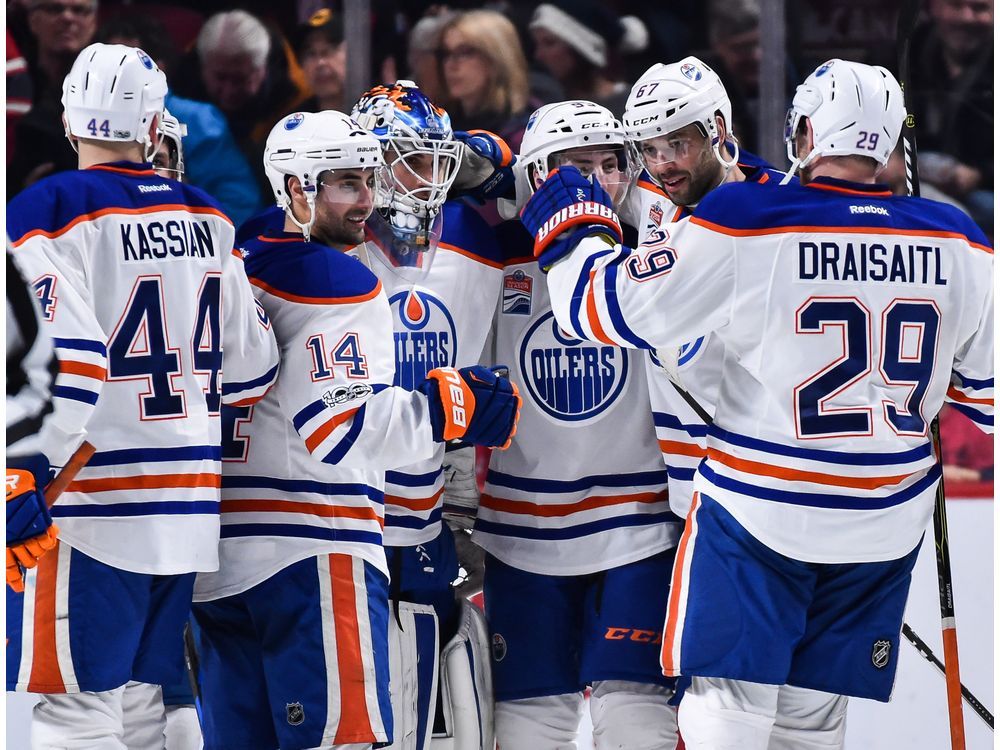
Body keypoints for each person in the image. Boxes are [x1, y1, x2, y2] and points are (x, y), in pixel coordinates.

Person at [522, 58, 993, 749]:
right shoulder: (960, 239)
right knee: (809, 724)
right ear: (893, 141)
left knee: (724, 708)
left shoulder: (748, 218)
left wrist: (572, 236)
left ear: (803, 130)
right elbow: (984, 397)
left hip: (764, 511)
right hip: (886, 521)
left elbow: (606, 310)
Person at [190, 109, 520, 750]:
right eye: (345, 183)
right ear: (295, 189)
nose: (367, 200)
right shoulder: (336, 277)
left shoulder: (239, 256)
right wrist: (453, 407)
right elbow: (337, 429)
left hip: (220, 563)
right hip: (314, 550)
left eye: (368, 179)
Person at [6, 42, 280, 749]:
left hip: (89, 502)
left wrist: (23, 469)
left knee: (73, 708)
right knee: (146, 704)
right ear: (155, 129)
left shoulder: (45, 211)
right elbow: (252, 366)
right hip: (187, 503)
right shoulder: (212, 217)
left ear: (69, 125)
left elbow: (67, 362)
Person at [482, 99, 682, 750]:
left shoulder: (659, 249)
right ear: (538, 174)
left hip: (640, 531)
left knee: (635, 720)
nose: (595, 182)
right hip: (521, 535)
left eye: (608, 164)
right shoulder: (486, 255)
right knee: (525, 728)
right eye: (573, 167)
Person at [350, 80, 505, 748]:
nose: (432, 179)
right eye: (413, 159)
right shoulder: (325, 244)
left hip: (426, 506)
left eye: (441, 161)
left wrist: (466, 500)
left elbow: (520, 162)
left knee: (443, 685)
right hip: (340, 503)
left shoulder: (471, 239)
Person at [615, 56, 786, 521]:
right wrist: (488, 157)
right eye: (648, 149)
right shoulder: (652, 194)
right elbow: (566, 154)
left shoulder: (788, 215)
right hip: (689, 492)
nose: (662, 165)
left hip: (774, 483)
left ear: (716, 128)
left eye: (677, 143)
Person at [100, 13, 265, 227]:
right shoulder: (82, 121)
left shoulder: (198, 121)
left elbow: (240, 202)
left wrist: (188, 231)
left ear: (159, 68)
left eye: (129, 65)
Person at [8, 0, 97, 193]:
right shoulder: (11, 82)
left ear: (93, 23)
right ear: (33, 20)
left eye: (80, 10)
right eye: (54, 9)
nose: (67, 18)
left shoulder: (112, 91)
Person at [527, 0, 648, 117]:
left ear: (581, 49)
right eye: (537, 44)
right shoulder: (544, 109)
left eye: (549, 43)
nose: (539, 55)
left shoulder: (635, 103)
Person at [436, 10, 532, 153]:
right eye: (446, 53)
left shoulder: (524, 134)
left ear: (497, 58)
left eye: (464, 52)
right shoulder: (441, 125)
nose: (451, 64)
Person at [296, 7, 348, 114]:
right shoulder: (298, 122)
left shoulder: (380, 113)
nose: (320, 63)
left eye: (329, 51)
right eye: (311, 54)